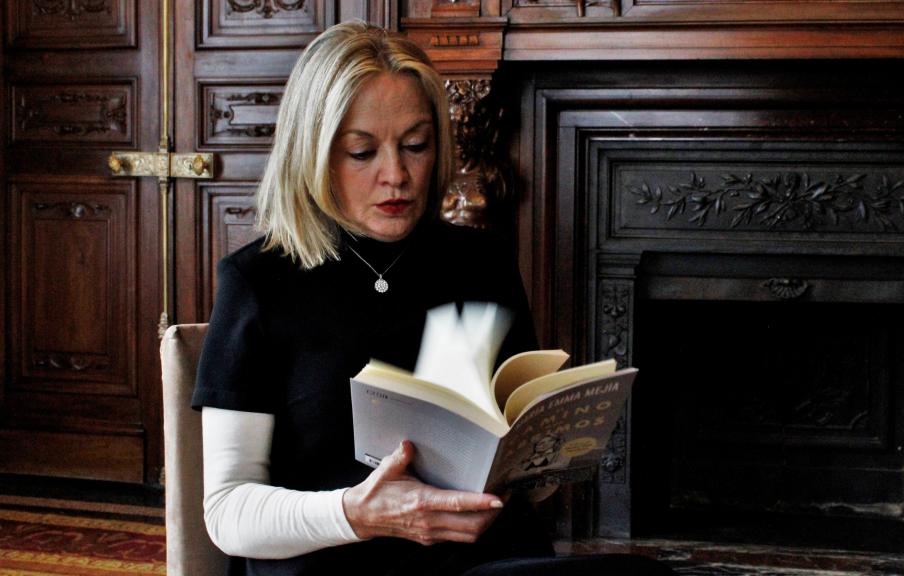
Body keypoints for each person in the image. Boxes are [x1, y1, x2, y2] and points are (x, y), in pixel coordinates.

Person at [192, 20, 675, 576]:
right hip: (333, 567)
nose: (396, 175)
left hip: (478, 561)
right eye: (361, 152)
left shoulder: (481, 263)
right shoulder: (258, 282)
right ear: (314, 153)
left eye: (416, 145)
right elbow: (228, 511)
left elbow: (519, 451)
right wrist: (359, 514)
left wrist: (541, 463)